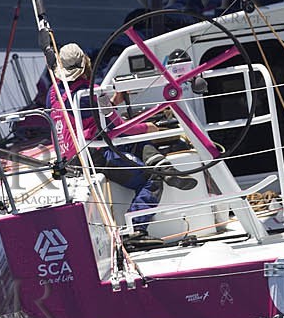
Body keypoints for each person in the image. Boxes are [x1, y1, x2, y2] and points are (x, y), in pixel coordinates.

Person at [44, 43, 194, 220]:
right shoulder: (90, 92)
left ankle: (164, 166)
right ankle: (137, 229)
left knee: (133, 143)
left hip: (67, 158)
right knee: (151, 178)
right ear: (85, 63)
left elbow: (84, 118)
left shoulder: (53, 92)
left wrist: (114, 103)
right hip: (91, 156)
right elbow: (119, 128)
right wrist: (148, 128)